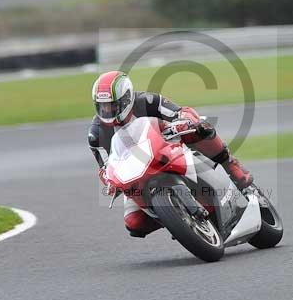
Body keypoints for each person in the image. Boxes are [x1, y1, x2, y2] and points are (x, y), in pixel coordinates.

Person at [88, 70, 253, 237]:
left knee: (201, 129)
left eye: (112, 105)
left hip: (167, 147)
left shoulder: (147, 101)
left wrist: (184, 122)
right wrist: (109, 181)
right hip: (136, 174)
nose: (107, 111)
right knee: (134, 223)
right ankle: (178, 218)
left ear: (126, 99)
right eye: (102, 107)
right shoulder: (96, 134)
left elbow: (180, 112)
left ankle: (231, 165)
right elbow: (106, 167)